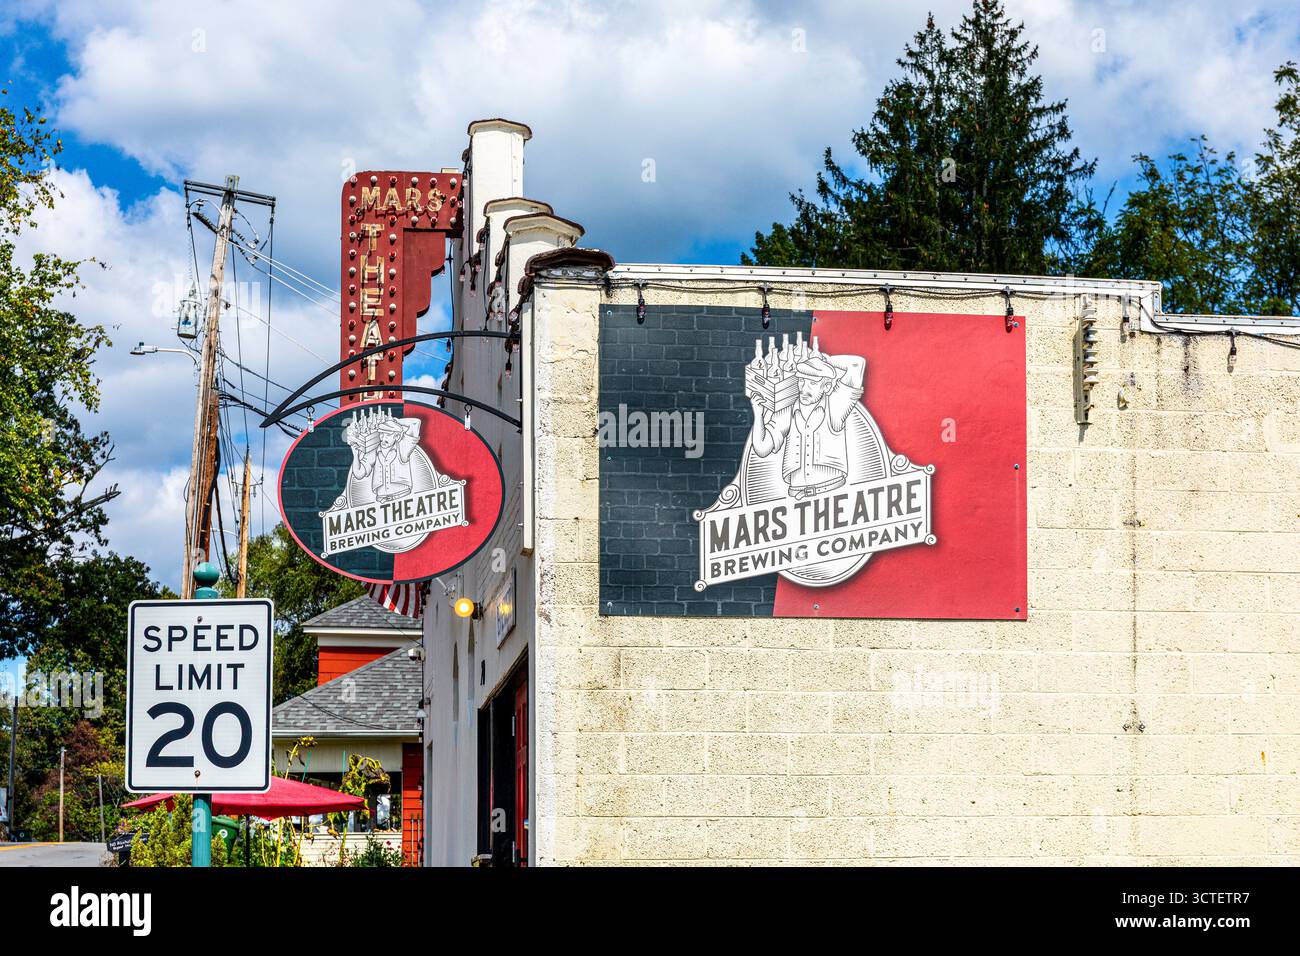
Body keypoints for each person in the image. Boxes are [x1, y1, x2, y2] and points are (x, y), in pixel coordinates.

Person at [750, 351, 865, 499]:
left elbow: (857, 364)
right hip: (796, 499)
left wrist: (823, 359)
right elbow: (761, 448)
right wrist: (758, 414)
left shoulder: (836, 406)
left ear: (827, 387)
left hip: (833, 496)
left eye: (812, 383)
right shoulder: (787, 409)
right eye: (802, 381)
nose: (804, 389)